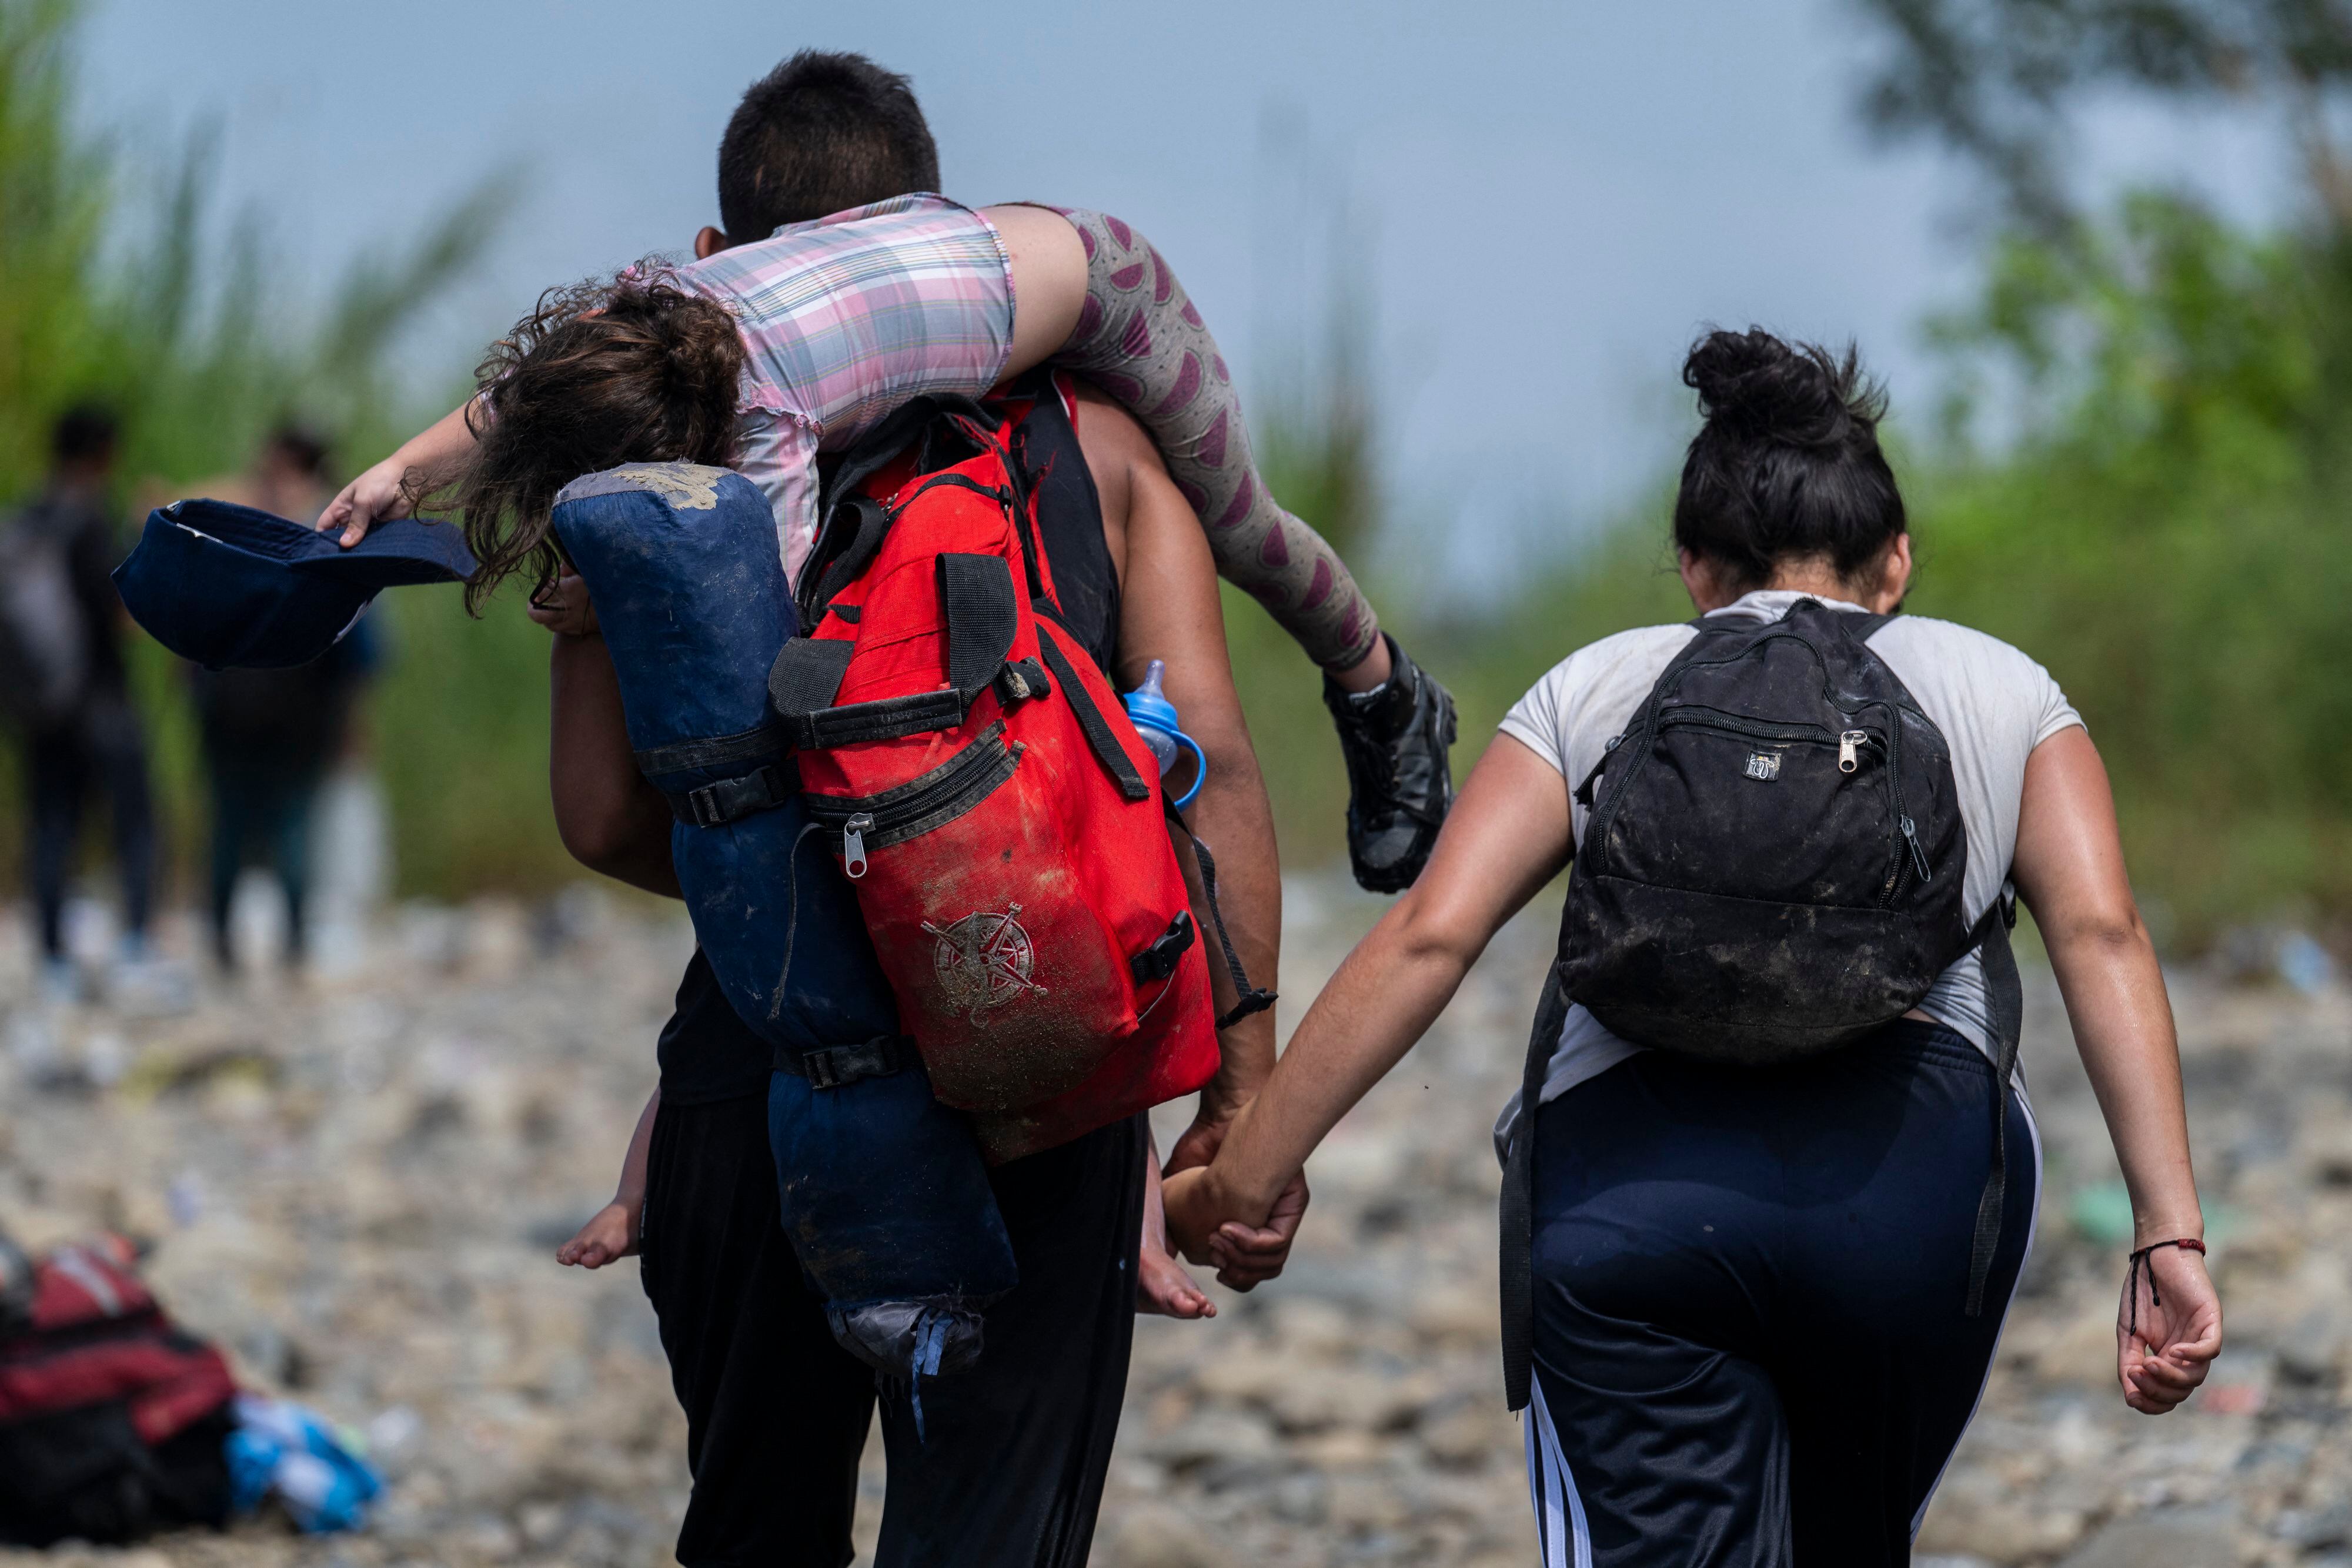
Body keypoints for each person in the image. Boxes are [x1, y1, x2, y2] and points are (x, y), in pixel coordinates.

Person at [1168, 330, 2224, 1563]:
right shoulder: (2001, 690)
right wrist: (2167, 1232)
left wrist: (1248, 1175)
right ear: (1894, 562)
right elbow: (2100, 932)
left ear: (1690, 568)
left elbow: (1429, 937)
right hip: (1904, 1215)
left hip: (1630, 1216)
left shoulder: (1600, 685)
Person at [316, 55, 1455, 895]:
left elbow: (763, 622)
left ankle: (1381, 689)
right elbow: (528, 397)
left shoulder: (766, 420)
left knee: (1239, 520)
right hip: (924, 270)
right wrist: (399, 473)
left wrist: (607, 609)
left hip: (1091, 278)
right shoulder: (653, 293)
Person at [554, 370, 1294, 1564]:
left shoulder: (683, 439)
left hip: (766, 1048)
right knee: (987, 1531)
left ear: (722, 246)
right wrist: (1239, 1099)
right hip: (1038, 1052)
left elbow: (602, 821)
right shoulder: (1101, 452)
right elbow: (1211, 770)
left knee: (754, 1524)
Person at [189, 429, 378, 971]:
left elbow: (192, 622)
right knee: (293, 830)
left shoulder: (232, 528)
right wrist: (353, 725)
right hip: (301, 714)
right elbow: (361, 646)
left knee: (230, 826)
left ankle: (224, 945)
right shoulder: (334, 537)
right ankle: (292, 945)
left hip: (228, 708)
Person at [1, 407, 159, 1004]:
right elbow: (123, 615)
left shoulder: (26, 518)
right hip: (101, 703)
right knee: (136, 826)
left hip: (40, 708)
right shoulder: (92, 521)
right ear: (103, 454)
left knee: (51, 828)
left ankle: (52, 961)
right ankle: (137, 946)